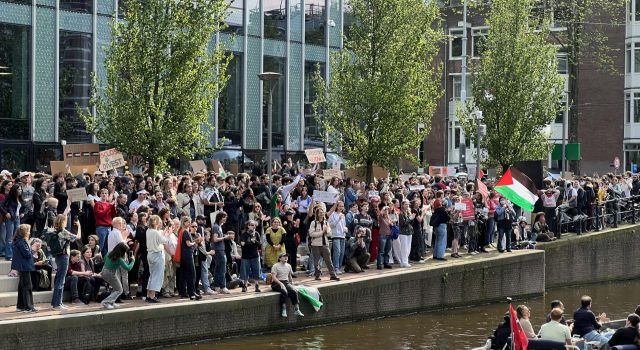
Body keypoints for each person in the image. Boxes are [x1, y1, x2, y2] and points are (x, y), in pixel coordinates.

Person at [50, 214, 79, 310]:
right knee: (61, 280)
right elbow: (77, 237)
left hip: (58, 257)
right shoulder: (63, 231)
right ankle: (57, 304)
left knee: (59, 279)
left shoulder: (56, 231)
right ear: (63, 221)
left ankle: (57, 302)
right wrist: (79, 226)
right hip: (64, 257)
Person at [308, 204, 340, 281]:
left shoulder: (326, 222)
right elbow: (311, 234)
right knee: (317, 262)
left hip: (325, 244)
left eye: (322, 212)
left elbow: (330, 233)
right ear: (317, 214)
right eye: (320, 212)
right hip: (315, 244)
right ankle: (317, 275)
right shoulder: (313, 223)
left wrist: (326, 232)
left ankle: (333, 275)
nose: (321, 213)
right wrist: (322, 232)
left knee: (329, 261)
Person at [100, 242, 135, 310]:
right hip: (110, 273)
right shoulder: (119, 259)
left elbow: (104, 259)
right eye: (125, 251)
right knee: (120, 290)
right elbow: (128, 268)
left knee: (116, 288)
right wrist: (133, 261)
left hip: (104, 270)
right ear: (122, 251)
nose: (125, 253)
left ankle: (111, 302)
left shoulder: (109, 253)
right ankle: (106, 302)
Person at [12, 224, 37, 312]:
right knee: (27, 286)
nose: (29, 232)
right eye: (28, 231)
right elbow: (27, 255)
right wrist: (33, 249)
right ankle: (28, 307)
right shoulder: (22, 242)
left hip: (22, 266)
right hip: (24, 267)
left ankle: (21, 306)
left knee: (22, 286)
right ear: (25, 233)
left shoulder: (19, 241)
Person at [270, 253, 304, 318]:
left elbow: (290, 276)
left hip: (286, 282)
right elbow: (274, 278)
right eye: (284, 256)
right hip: (276, 283)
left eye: (286, 257)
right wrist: (280, 284)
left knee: (294, 291)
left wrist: (292, 284)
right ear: (280, 258)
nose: (286, 258)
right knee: (284, 291)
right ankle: (284, 309)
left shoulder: (289, 266)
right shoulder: (275, 266)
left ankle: (297, 309)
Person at [145, 215, 168, 303]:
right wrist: (167, 234)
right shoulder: (155, 232)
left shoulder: (148, 231)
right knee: (157, 276)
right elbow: (164, 241)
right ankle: (152, 296)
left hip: (150, 254)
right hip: (157, 254)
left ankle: (148, 295)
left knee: (152, 275)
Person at [211, 212, 231, 294]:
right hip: (219, 250)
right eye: (224, 217)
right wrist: (225, 237)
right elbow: (215, 239)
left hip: (220, 249)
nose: (225, 218)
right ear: (220, 217)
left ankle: (217, 286)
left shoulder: (219, 226)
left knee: (218, 268)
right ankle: (223, 286)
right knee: (222, 268)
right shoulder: (216, 227)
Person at [240, 220, 262, 293]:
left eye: (254, 225)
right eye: (252, 225)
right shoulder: (244, 234)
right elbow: (242, 244)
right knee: (245, 272)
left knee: (256, 271)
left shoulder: (256, 234)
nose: (253, 226)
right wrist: (250, 243)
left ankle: (256, 285)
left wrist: (254, 241)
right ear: (248, 226)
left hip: (255, 256)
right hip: (246, 256)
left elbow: (259, 244)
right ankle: (245, 285)